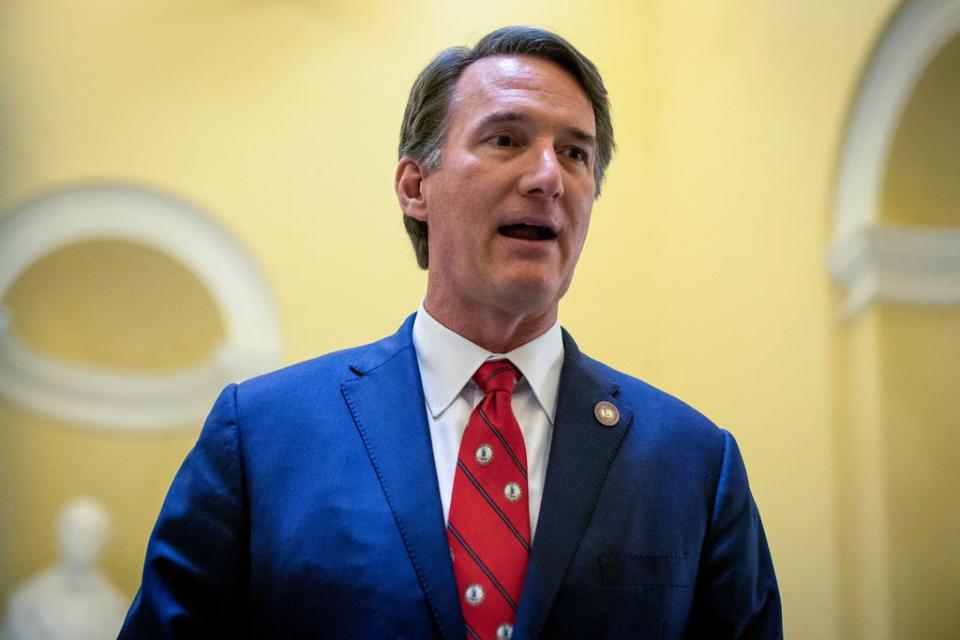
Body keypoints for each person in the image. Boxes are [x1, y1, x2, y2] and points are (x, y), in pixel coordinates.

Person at [120, 26, 781, 639]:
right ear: (416, 185)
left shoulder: (695, 465)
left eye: (575, 153)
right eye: (506, 139)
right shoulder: (260, 439)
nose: (548, 176)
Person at [3, 497, 127, 640]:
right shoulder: (27, 601)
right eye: (76, 531)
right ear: (60, 535)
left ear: (106, 543)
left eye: (93, 534)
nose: (83, 541)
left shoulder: (118, 610)